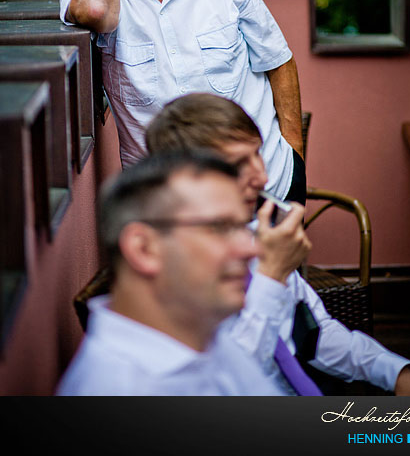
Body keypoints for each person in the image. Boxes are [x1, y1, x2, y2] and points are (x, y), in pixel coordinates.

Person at [145, 92, 410, 395]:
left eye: (257, 154)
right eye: (238, 165)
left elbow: (317, 334)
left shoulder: (257, 236)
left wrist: (395, 372)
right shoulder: (170, 277)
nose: (262, 178)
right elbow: (229, 384)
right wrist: (271, 276)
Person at [58, 0, 305, 204]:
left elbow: (278, 60)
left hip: (265, 184)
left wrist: (295, 154)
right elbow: (93, 10)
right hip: (170, 206)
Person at [57, 151, 307, 395]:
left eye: (242, 227)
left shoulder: (201, 334)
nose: (250, 250)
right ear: (143, 248)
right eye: (219, 227)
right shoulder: (120, 387)